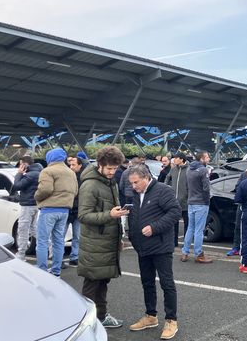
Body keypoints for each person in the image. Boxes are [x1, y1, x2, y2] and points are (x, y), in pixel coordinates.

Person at [127, 164, 181, 340]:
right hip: (142, 247)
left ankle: (171, 320)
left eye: (136, 182)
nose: (133, 186)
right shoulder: (135, 194)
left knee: (167, 283)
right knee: (147, 282)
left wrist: (155, 227)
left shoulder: (163, 190)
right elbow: (135, 216)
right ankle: (151, 316)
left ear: (146, 178)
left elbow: (175, 212)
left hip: (160, 246)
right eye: (131, 183)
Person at [77, 146, 127, 328]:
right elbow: (83, 216)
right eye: (109, 169)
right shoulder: (90, 185)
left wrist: (119, 236)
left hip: (107, 241)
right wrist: (110, 215)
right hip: (94, 244)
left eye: (115, 169)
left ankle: (101, 317)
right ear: (99, 164)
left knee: (102, 281)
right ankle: (86, 322)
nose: (112, 172)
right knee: (92, 283)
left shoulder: (109, 182)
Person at [34, 147, 78, 278]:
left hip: (48, 210)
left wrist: (36, 196)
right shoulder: (71, 172)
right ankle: (56, 271)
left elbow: (45, 190)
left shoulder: (47, 171)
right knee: (58, 241)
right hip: (64, 210)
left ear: (50, 158)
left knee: (42, 241)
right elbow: (75, 191)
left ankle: (42, 270)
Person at [181, 151, 213, 263]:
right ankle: (198, 254)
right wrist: (207, 200)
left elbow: (187, 186)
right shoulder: (203, 170)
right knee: (199, 230)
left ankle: (185, 252)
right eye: (207, 157)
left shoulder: (189, 169)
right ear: (202, 159)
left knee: (190, 228)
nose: (209, 159)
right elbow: (206, 188)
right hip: (201, 203)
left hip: (191, 201)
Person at [12, 155, 42, 260]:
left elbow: (17, 186)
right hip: (35, 204)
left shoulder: (30, 175)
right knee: (34, 229)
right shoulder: (38, 172)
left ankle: (21, 255)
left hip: (28, 205)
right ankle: (49, 248)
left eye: (21, 164)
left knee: (23, 229)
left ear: (25, 164)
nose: (20, 166)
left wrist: (19, 173)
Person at [166, 152, 189, 247]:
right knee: (174, 223)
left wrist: (188, 196)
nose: (174, 160)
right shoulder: (173, 169)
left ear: (181, 159)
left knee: (187, 224)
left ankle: (186, 243)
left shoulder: (188, 169)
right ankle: (174, 242)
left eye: (176, 158)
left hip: (185, 201)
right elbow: (167, 178)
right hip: (174, 201)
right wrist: (167, 188)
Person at [67, 157, 86, 266]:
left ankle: (75, 257)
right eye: (70, 164)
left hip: (78, 210)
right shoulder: (67, 176)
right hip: (67, 210)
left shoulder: (84, 178)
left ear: (80, 165)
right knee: (60, 237)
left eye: (73, 164)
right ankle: (58, 259)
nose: (71, 167)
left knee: (77, 236)